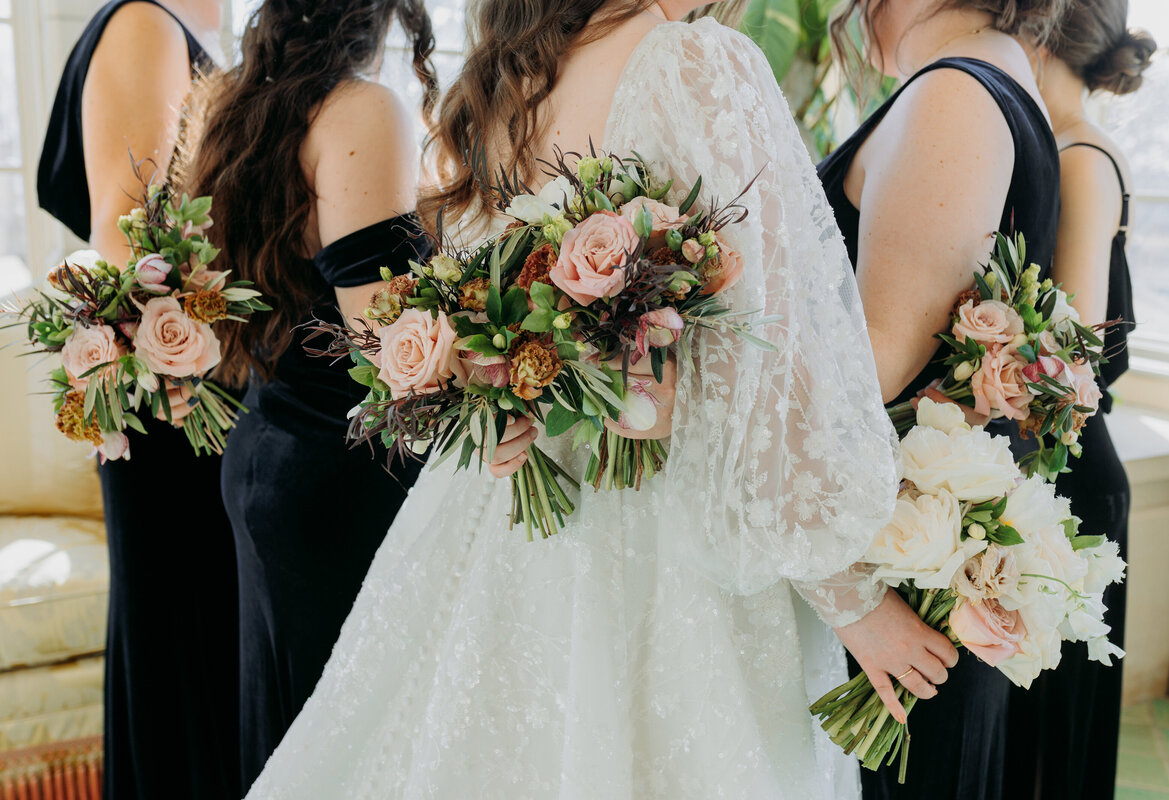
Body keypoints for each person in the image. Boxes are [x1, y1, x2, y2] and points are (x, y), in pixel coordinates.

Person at [240, 2, 958, 797]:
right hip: (664, 553)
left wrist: (502, 399)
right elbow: (765, 372)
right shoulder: (698, 61)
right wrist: (851, 596)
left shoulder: (515, 73)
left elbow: (490, 329)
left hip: (504, 527)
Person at [184, 0, 436, 791]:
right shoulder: (363, 108)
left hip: (263, 449)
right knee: (348, 740)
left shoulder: (237, 104)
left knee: (289, 730)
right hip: (342, 472)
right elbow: (389, 348)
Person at [815, 0, 1064, 798]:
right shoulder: (989, 72)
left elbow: (875, 366)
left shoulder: (953, 95)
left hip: (901, 584)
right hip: (912, 571)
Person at [36, 2, 240, 797]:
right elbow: (134, 245)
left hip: (199, 402)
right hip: (174, 417)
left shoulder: (205, 34)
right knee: (186, 667)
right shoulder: (146, 27)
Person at [1004, 5, 1155, 798]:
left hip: (1073, 481)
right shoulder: (1052, 145)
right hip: (1047, 473)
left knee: (1054, 733)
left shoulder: (1080, 157)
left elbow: (1073, 357)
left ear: (1040, 32)